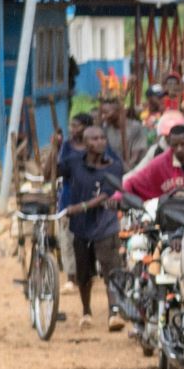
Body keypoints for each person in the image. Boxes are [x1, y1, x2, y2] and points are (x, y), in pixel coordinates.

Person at [54, 123, 127, 331]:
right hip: (81, 228)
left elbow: (106, 194)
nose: (100, 142)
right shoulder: (74, 162)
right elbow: (53, 172)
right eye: (94, 139)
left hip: (105, 225)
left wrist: (81, 206)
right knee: (84, 275)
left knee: (111, 270)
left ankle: (114, 312)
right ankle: (86, 311)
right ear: (84, 144)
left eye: (102, 138)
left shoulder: (113, 166)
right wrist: (54, 151)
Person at [123, 123, 184, 200]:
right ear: (169, 144)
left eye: (183, 144)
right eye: (175, 145)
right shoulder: (160, 162)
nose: (179, 149)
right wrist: (117, 197)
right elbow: (133, 182)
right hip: (171, 208)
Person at [99, 97, 151, 169]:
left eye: (106, 113)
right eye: (101, 113)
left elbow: (135, 157)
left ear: (118, 112)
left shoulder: (136, 128)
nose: (103, 116)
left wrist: (126, 167)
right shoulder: (106, 128)